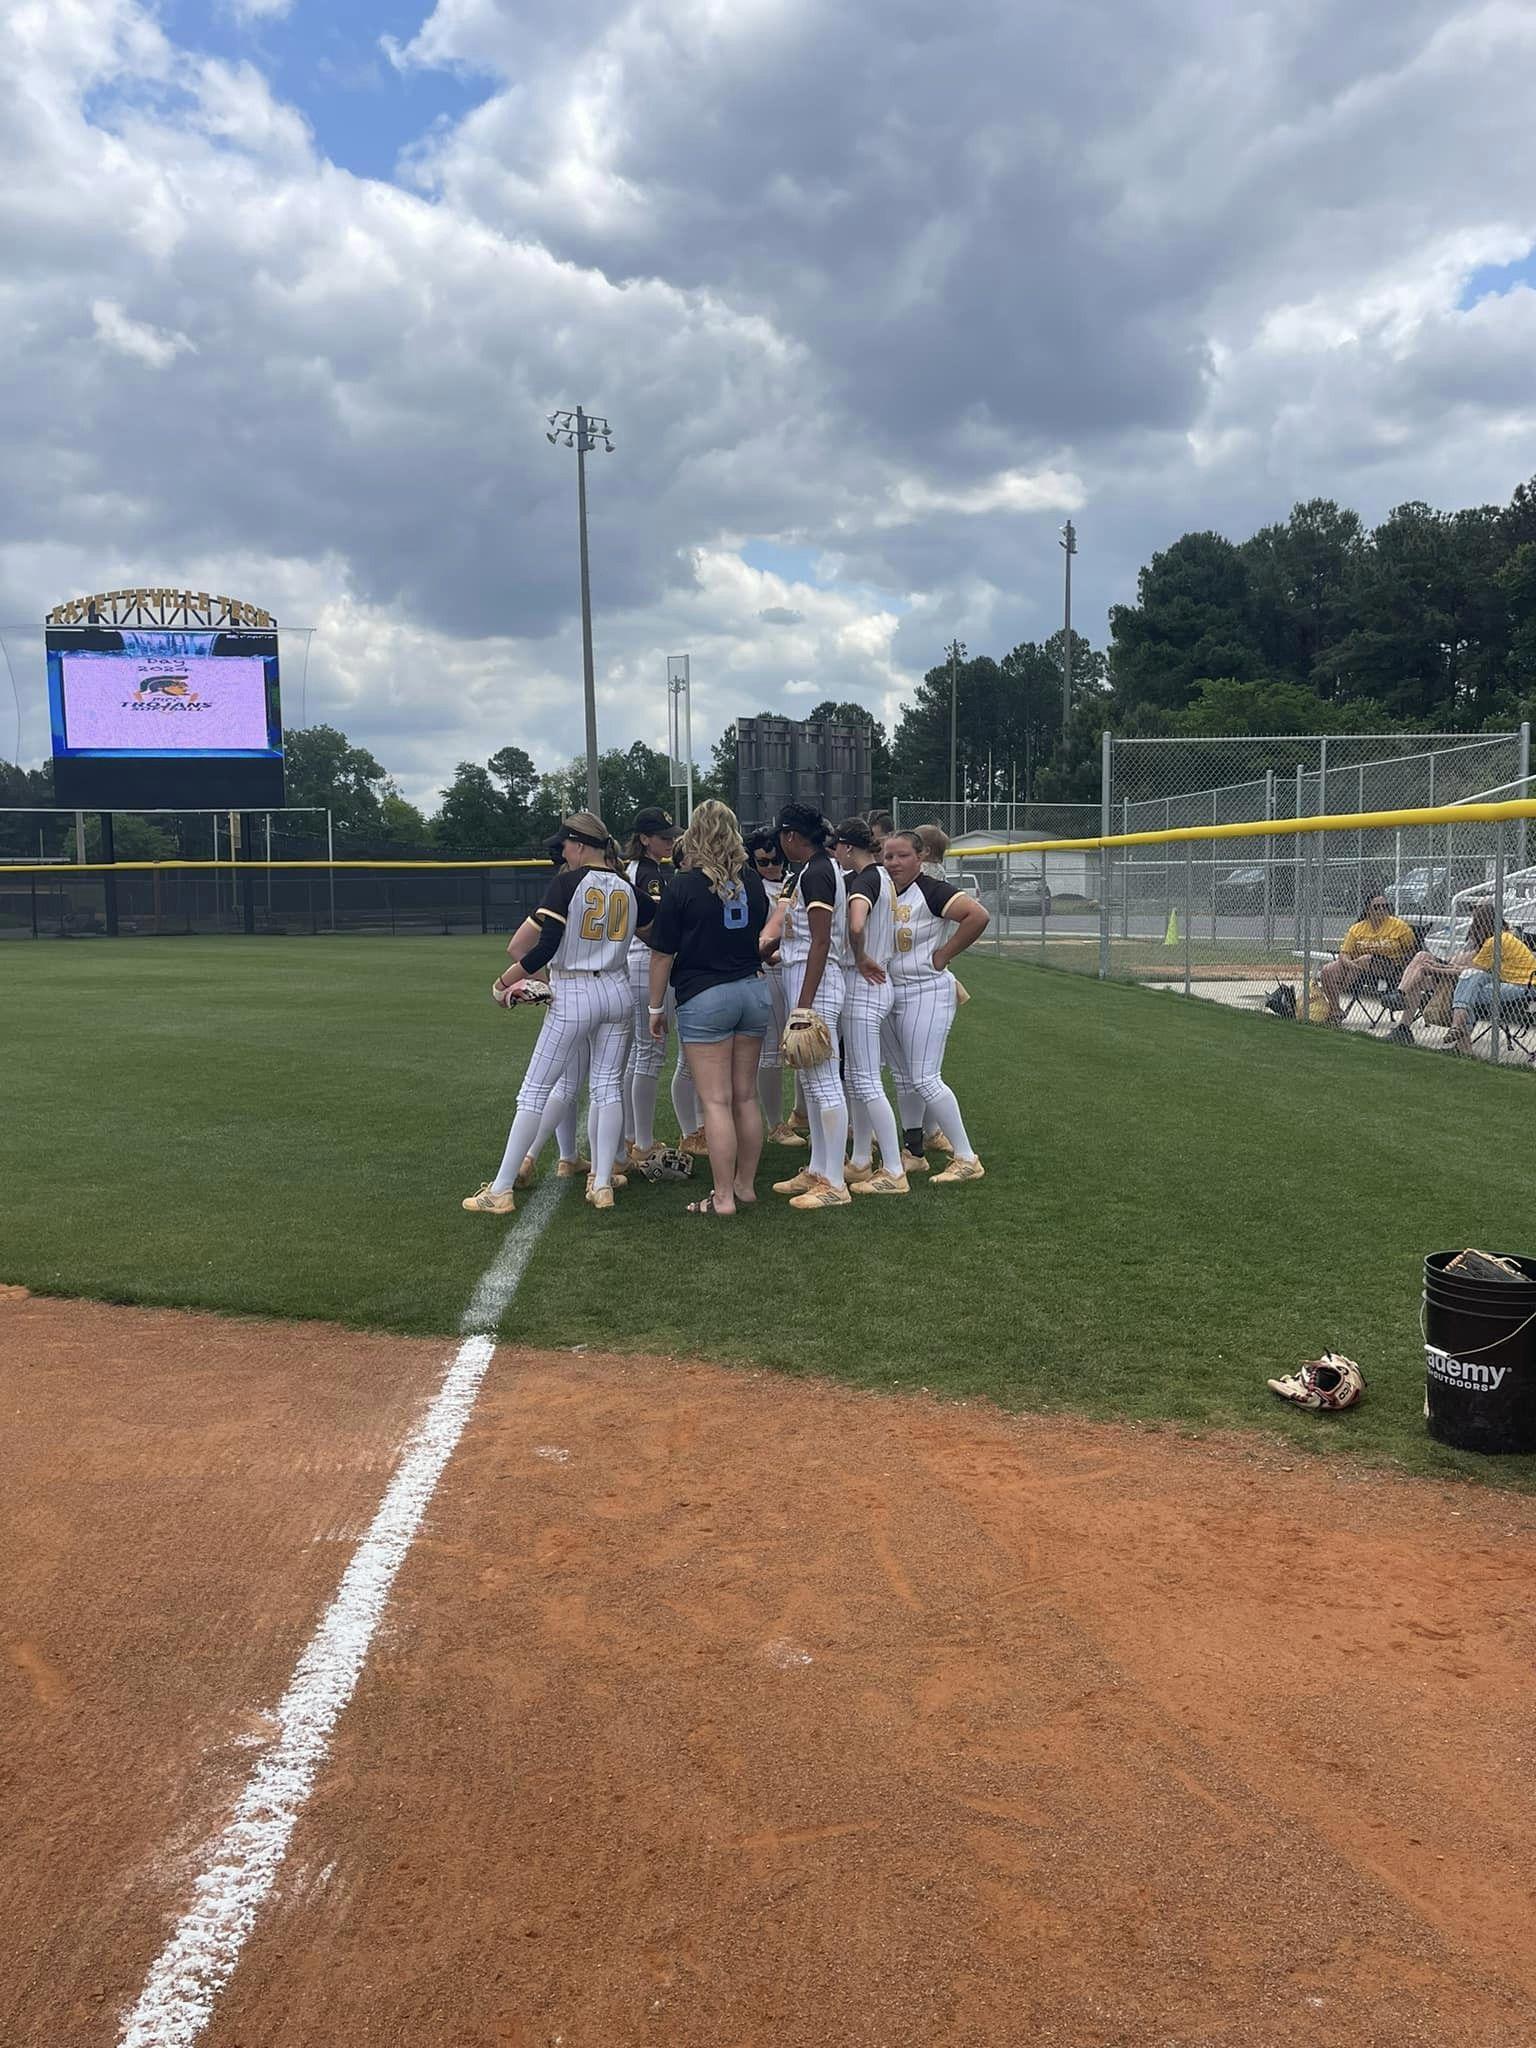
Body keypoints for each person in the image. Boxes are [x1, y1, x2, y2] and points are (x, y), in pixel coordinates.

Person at [463, 811, 641, 1215]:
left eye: (565, 844)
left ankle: (502, 1188)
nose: (562, 851)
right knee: (608, 1087)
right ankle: (601, 1184)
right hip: (617, 987)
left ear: (579, 844)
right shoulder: (627, 885)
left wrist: (504, 981)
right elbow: (654, 930)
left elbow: (543, 948)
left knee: (534, 1090)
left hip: (575, 989)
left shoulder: (567, 882)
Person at [646, 800, 770, 1216]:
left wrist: (654, 1007)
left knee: (715, 1102)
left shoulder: (682, 885)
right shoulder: (752, 882)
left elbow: (662, 954)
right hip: (752, 991)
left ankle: (722, 1197)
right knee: (745, 1097)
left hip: (706, 994)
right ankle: (745, 1186)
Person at [882, 830, 989, 1183]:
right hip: (892, 992)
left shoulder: (931, 890)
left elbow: (976, 915)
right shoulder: (884, 889)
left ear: (920, 857)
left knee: (926, 1077)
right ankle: (913, 1151)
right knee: (904, 1077)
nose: (894, 863)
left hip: (925, 990)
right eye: (888, 856)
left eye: (902, 856)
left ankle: (966, 1157)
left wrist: (944, 955)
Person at [761, 801, 853, 1209]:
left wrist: (803, 1005)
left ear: (791, 836)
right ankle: (819, 1168)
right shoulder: (812, 869)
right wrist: (773, 950)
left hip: (817, 985)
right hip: (809, 977)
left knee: (823, 1082)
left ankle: (834, 1181)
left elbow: (821, 941)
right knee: (815, 1087)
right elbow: (805, 937)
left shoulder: (816, 872)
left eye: (782, 835)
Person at [832, 817, 908, 1193]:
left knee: (865, 1081)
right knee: (856, 1079)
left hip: (865, 982)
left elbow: (857, 925)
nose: (836, 853)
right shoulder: (882, 877)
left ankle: (894, 1169)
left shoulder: (864, 879)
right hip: (874, 982)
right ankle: (862, 1159)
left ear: (847, 847)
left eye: (838, 847)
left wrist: (860, 956)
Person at [623, 805, 683, 1165]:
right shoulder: (648, 874)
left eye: (671, 836)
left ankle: (633, 1136)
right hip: (648, 964)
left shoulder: (637, 869)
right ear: (643, 839)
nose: (670, 842)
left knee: (638, 1054)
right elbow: (660, 928)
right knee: (649, 1054)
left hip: (636, 965)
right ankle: (642, 1142)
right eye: (663, 837)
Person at [1390, 900, 1512, 1048]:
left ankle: (1400, 995)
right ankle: (1403, 1020)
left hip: (1470, 977)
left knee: (1423, 964)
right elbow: (1460, 957)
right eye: (1471, 907)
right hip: (1453, 970)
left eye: (1476, 908)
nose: (1472, 911)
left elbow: (1475, 968)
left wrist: (1437, 968)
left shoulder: (1500, 937)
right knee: (1421, 961)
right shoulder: (1477, 932)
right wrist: (1441, 964)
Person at [746, 828, 797, 1142]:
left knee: (804, 1048)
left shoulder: (794, 879)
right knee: (770, 1053)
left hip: (794, 967)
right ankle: (775, 1123)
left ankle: (800, 1113)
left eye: (776, 860)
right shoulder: (751, 885)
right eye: (764, 861)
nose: (772, 867)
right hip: (767, 968)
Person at [1445, 909, 1536, 1053]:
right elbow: (1474, 970)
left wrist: (1435, 969)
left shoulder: (1494, 941)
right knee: (1471, 984)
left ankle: (1459, 1033)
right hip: (1516, 983)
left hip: (1524, 988)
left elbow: (1471, 970)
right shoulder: (1507, 936)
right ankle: (1461, 1041)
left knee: (1469, 990)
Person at [1318, 892, 1415, 1026]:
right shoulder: (1358, 928)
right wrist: (1349, 964)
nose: (1381, 909)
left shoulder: (1399, 926)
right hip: (1358, 969)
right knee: (1327, 970)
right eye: (1376, 907)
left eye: (1384, 906)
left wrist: (1403, 965)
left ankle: (1343, 987)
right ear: (1368, 910)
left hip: (1389, 968)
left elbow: (1411, 951)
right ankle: (1336, 1011)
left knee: (1366, 959)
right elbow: (1344, 954)